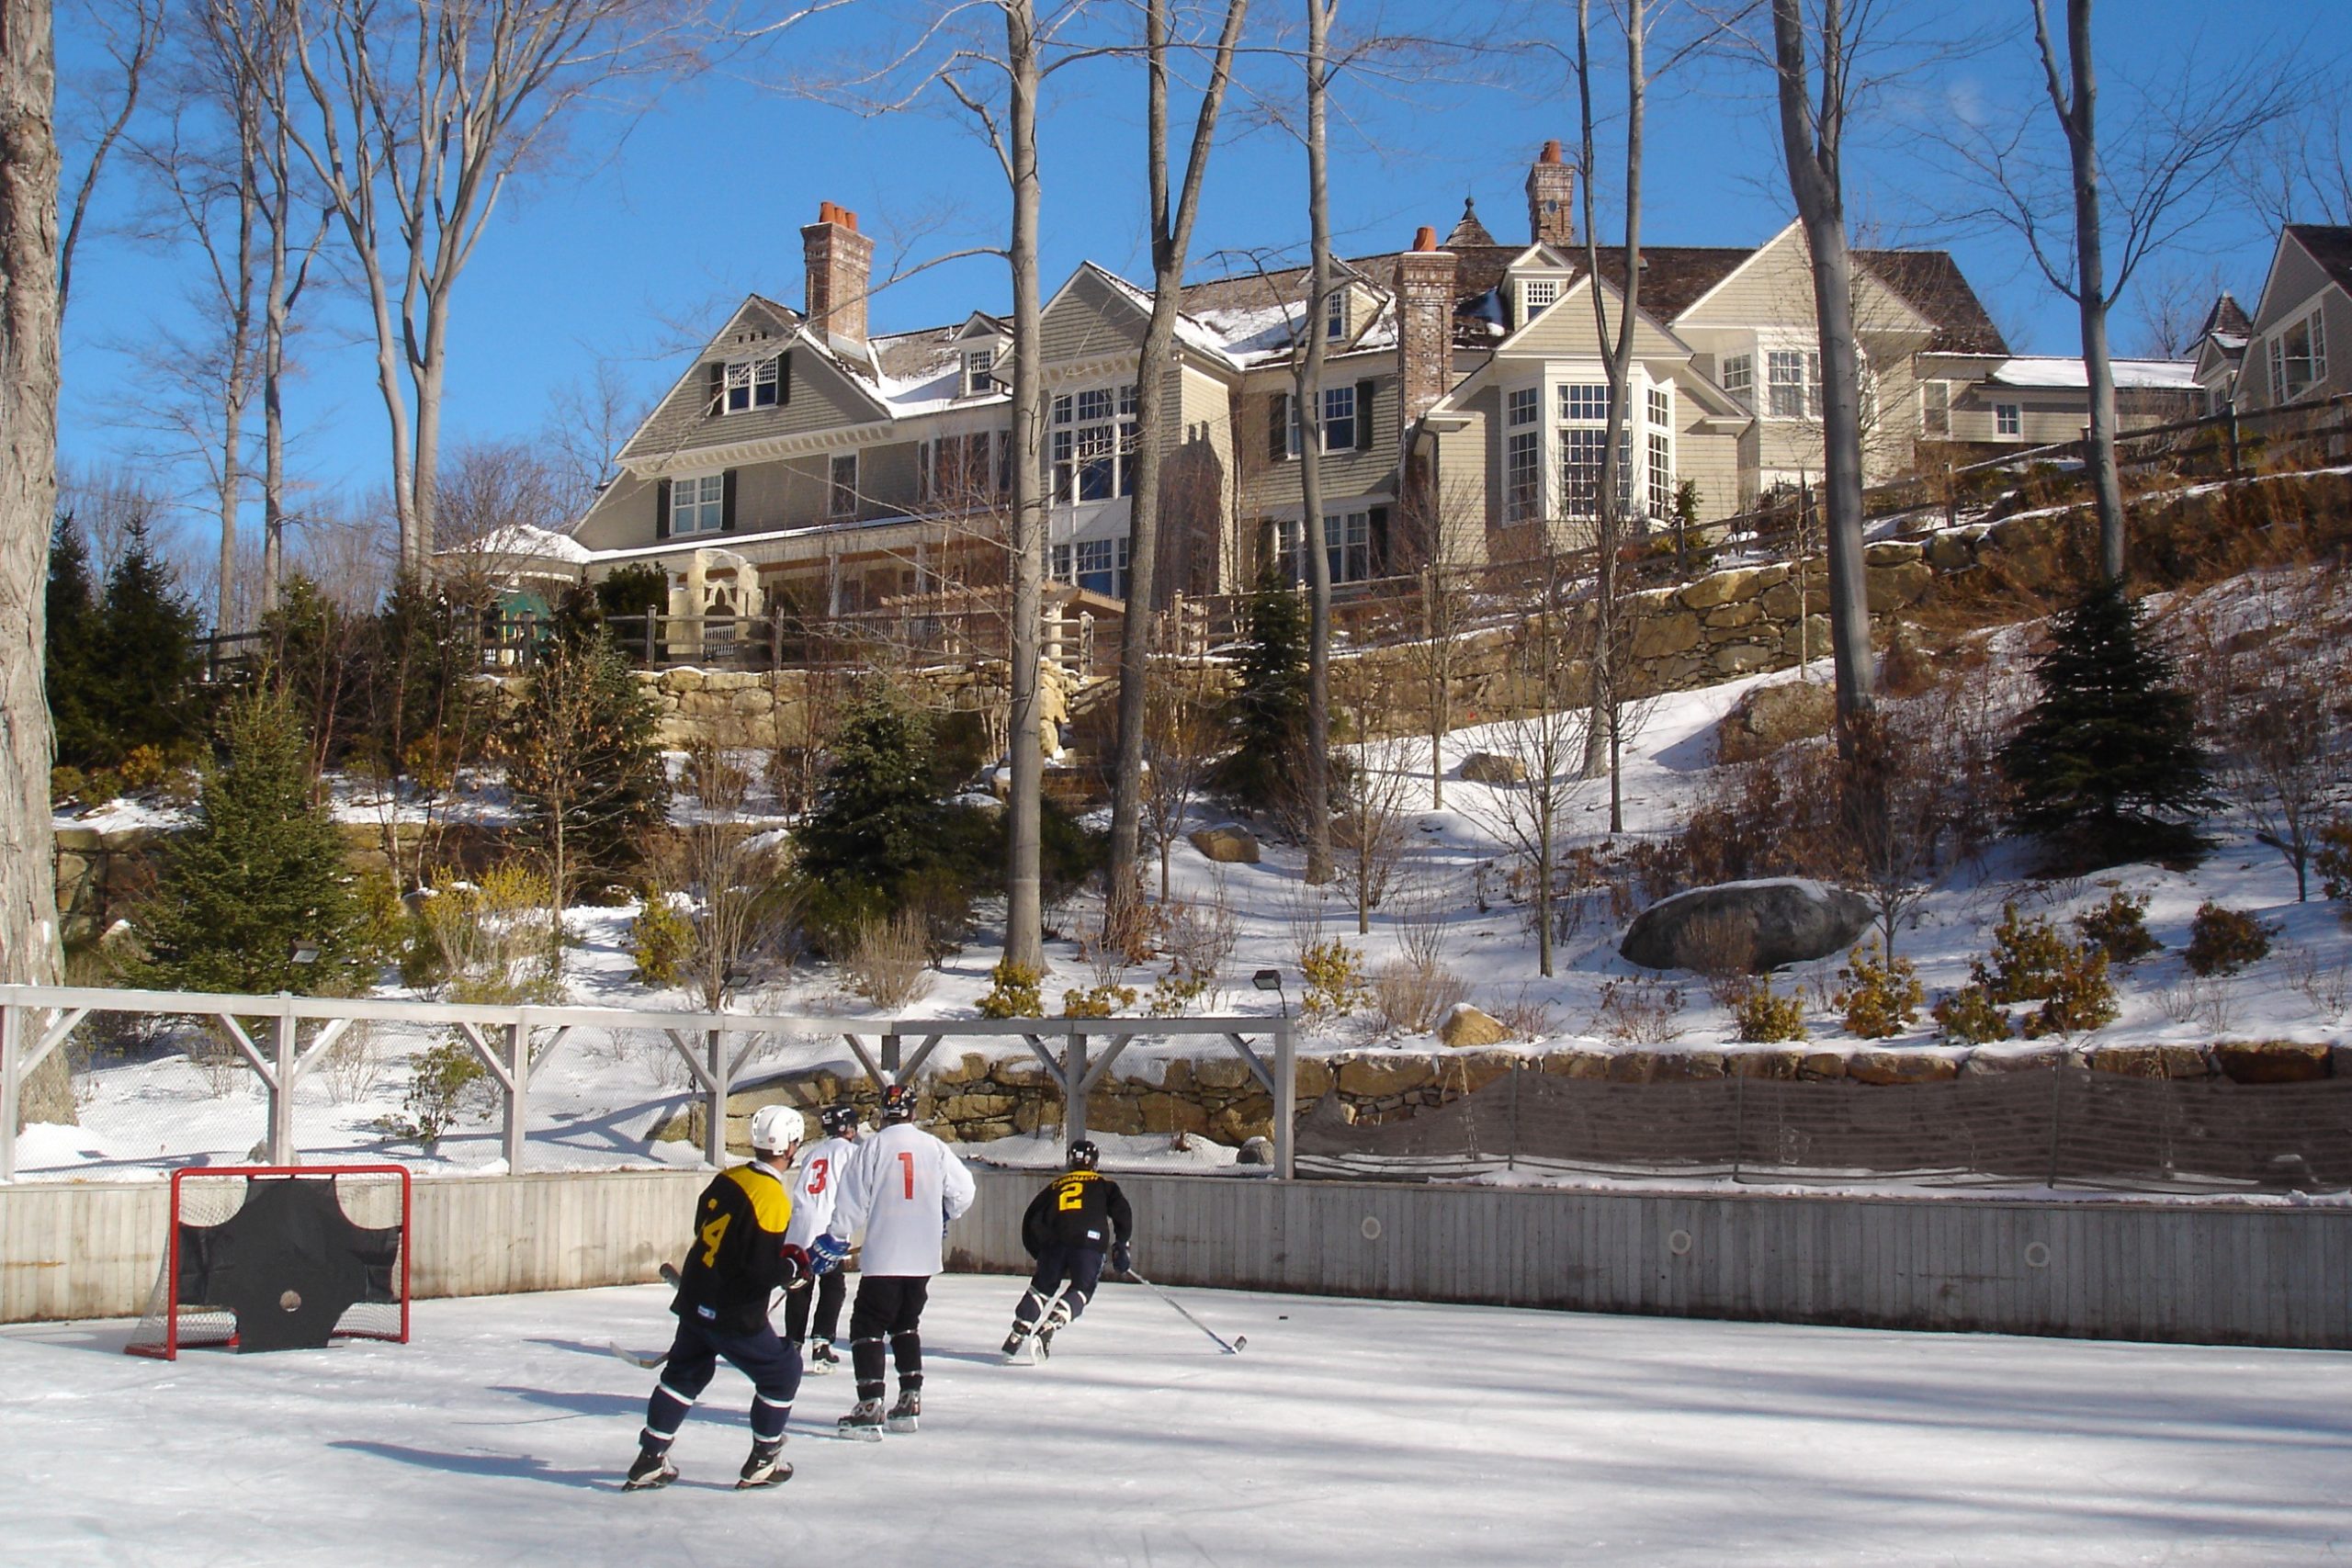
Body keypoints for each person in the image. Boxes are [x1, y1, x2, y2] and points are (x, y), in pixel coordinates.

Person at [624, 1104, 811, 1492]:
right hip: (733, 1312)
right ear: (792, 1145)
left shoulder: (729, 1178)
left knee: (685, 1374)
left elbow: (704, 1228)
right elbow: (761, 1271)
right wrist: (791, 1272)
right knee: (782, 1373)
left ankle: (650, 1458)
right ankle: (763, 1459)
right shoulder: (773, 1199)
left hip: (695, 1298)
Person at [807, 1082, 975, 1438]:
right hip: (924, 1257)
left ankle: (870, 1405)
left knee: (867, 1326)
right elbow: (964, 1191)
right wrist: (945, 1214)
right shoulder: (934, 1147)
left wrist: (835, 1237)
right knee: (905, 1323)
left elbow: (853, 1199)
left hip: (886, 1255)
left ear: (883, 1112)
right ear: (913, 1113)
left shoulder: (873, 1147)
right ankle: (909, 1399)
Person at [1000, 1140, 1133, 1362]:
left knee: (1042, 1287)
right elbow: (1122, 1212)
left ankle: (1017, 1333)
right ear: (1094, 1162)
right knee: (1083, 1288)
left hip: (1054, 1244)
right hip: (1089, 1244)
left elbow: (1031, 1219)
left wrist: (1039, 1251)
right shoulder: (1104, 1184)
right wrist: (1122, 1244)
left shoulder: (1055, 1186)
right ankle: (1050, 1326)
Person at [783, 1102, 859, 1373]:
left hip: (800, 1226)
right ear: (849, 1128)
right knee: (833, 1285)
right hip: (827, 1229)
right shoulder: (851, 1153)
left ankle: (792, 1344)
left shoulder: (813, 1153)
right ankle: (822, 1344)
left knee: (800, 1286)